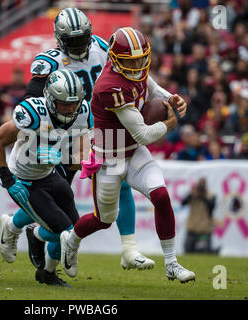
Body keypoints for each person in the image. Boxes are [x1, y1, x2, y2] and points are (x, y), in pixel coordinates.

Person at [0, 7, 185, 273]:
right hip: (65, 133)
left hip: (96, 128)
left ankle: (127, 249)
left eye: (83, 37)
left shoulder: (100, 46)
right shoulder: (49, 61)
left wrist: (165, 97)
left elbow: (131, 73)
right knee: (56, 196)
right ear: (60, 40)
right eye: (72, 41)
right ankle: (18, 227)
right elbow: (33, 99)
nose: (80, 45)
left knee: (117, 184)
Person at [59, 27, 195, 283]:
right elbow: (143, 133)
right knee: (104, 220)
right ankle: (72, 239)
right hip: (109, 157)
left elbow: (149, 85)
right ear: (114, 58)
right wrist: (168, 124)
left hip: (133, 151)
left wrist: (171, 98)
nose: (137, 65)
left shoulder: (134, 70)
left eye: (140, 59)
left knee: (162, 196)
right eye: (130, 61)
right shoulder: (109, 86)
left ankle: (172, 263)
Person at [0, 69, 91, 286]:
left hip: (47, 173)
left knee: (77, 228)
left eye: (74, 103)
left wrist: (64, 157)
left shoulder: (82, 112)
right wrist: (8, 181)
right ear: (52, 100)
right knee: (65, 232)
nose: (71, 109)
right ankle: (30, 233)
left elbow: (78, 158)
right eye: (65, 103)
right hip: (23, 179)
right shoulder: (34, 112)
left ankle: (20, 229)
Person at [182, 178, 216, 253]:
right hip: (192, 228)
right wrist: (192, 195)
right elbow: (183, 203)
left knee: (203, 251)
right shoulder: (193, 194)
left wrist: (203, 197)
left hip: (204, 229)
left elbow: (212, 206)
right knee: (188, 249)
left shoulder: (211, 195)